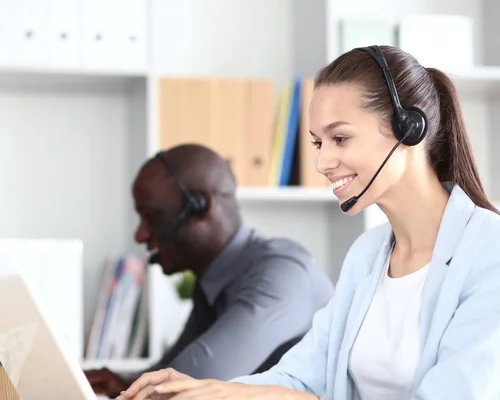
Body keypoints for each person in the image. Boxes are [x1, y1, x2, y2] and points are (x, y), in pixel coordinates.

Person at [116, 44, 500, 400]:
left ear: (409, 129)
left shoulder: (488, 252)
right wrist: (202, 390)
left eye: (341, 138)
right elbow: (301, 377)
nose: (322, 163)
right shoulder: (368, 255)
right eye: (319, 143)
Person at [84, 143, 335, 397]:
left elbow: (189, 383)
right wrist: (122, 384)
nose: (141, 235)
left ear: (200, 206)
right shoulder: (213, 284)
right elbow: (170, 373)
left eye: (153, 217)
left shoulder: (282, 272)